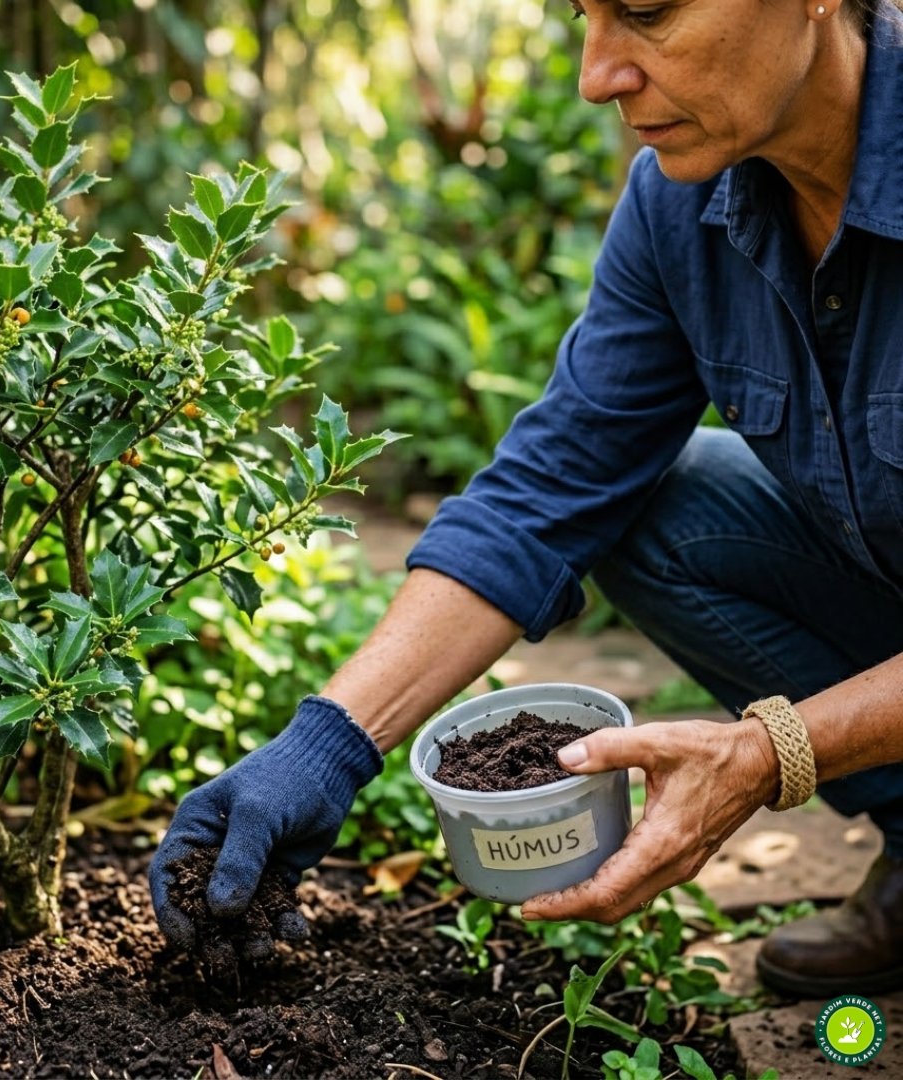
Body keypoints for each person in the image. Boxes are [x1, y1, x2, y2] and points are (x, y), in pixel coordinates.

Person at [150, 0, 903, 998]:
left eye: (645, 12)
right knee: (662, 507)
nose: (598, 75)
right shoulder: (684, 207)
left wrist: (774, 749)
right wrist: (323, 747)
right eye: (583, 16)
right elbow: (551, 487)